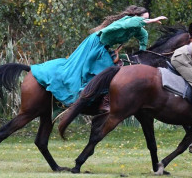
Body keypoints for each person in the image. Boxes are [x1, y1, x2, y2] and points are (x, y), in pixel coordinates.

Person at [30, 6, 168, 106]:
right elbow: (131, 23)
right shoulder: (128, 20)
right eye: (144, 19)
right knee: (106, 68)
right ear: (136, 16)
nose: (145, 21)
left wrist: (142, 53)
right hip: (96, 43)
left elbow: (143, 37)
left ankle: (101, 96)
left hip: (104, 47)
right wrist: (153, 20)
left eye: (147, 19)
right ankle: (89, 93)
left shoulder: (138, 29)